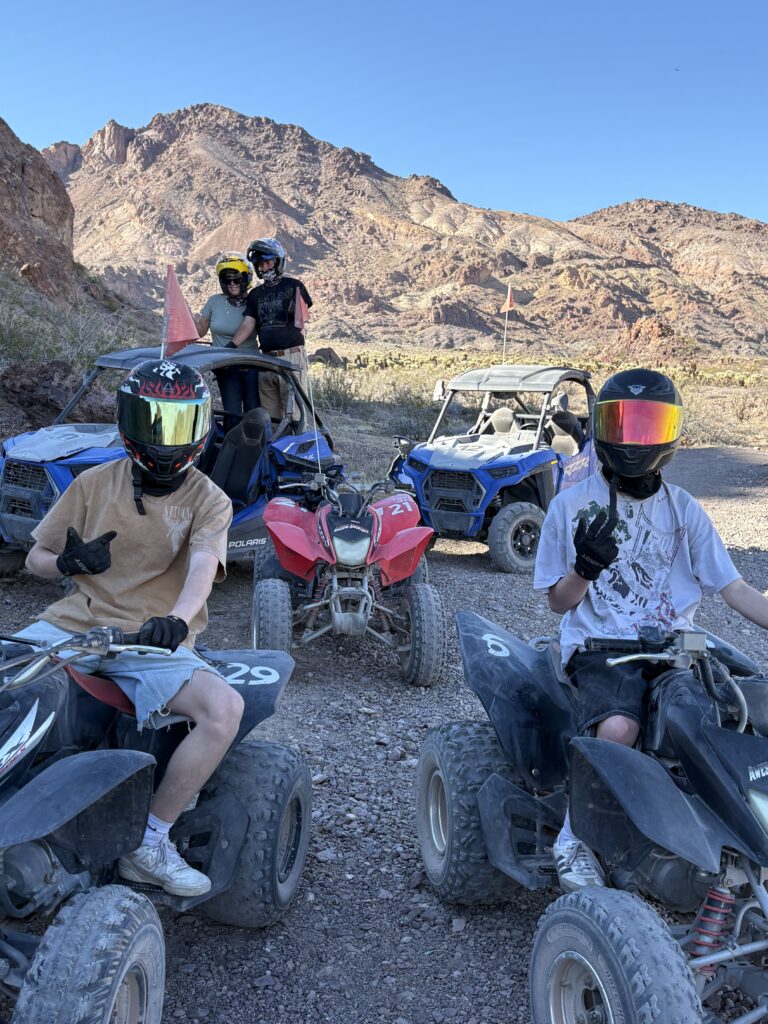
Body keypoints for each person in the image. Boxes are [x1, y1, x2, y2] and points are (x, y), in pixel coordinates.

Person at [533, 368, 768, 892]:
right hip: (600, 647)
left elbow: (735, 589)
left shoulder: (684, 510)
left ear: (671, 433)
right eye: (623, 423)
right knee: (620, 729)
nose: (635, 439)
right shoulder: (571, 506)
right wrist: (585, 570)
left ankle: (719, 836)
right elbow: (558, 602)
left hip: (672, 651)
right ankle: (575, 836)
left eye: (649, 424)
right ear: (601, 428)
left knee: (721, 721)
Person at [19, 358, 243, 898]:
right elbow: (36, 559)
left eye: (183, 423)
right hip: (76, 624)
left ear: (202, 427)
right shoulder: (94, 483)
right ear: (129, 422)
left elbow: (201, 571)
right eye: (156, 422)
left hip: (151, 638)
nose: (169, 440)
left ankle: (152, 841)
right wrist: (67, 565)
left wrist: (176, 621)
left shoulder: (209, 500)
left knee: (225, 710)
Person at [230, 238, 313, 424]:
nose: (264, 267)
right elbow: (248, 323)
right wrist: (232, 345)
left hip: (290, 357)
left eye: (268, 262)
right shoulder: (255, 295)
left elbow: (304, 315)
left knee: (295, 415)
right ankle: (272, 452)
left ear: (277, 262)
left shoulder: (294, 286)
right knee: (270, 417)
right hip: (266, 360)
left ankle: (296, 452)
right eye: (260, 264)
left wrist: (296, 309)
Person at [195, 252, 258, 432]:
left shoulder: (254, 301)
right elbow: (200, 331)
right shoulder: (214, 302)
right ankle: (231, 450)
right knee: (232, 412)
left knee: (253, 410)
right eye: (227, 280)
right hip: (225, 365)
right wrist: (188, 316)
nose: (232, 284)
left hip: (252, 363)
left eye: (236, 280)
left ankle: (256, 451)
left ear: (245, 279)